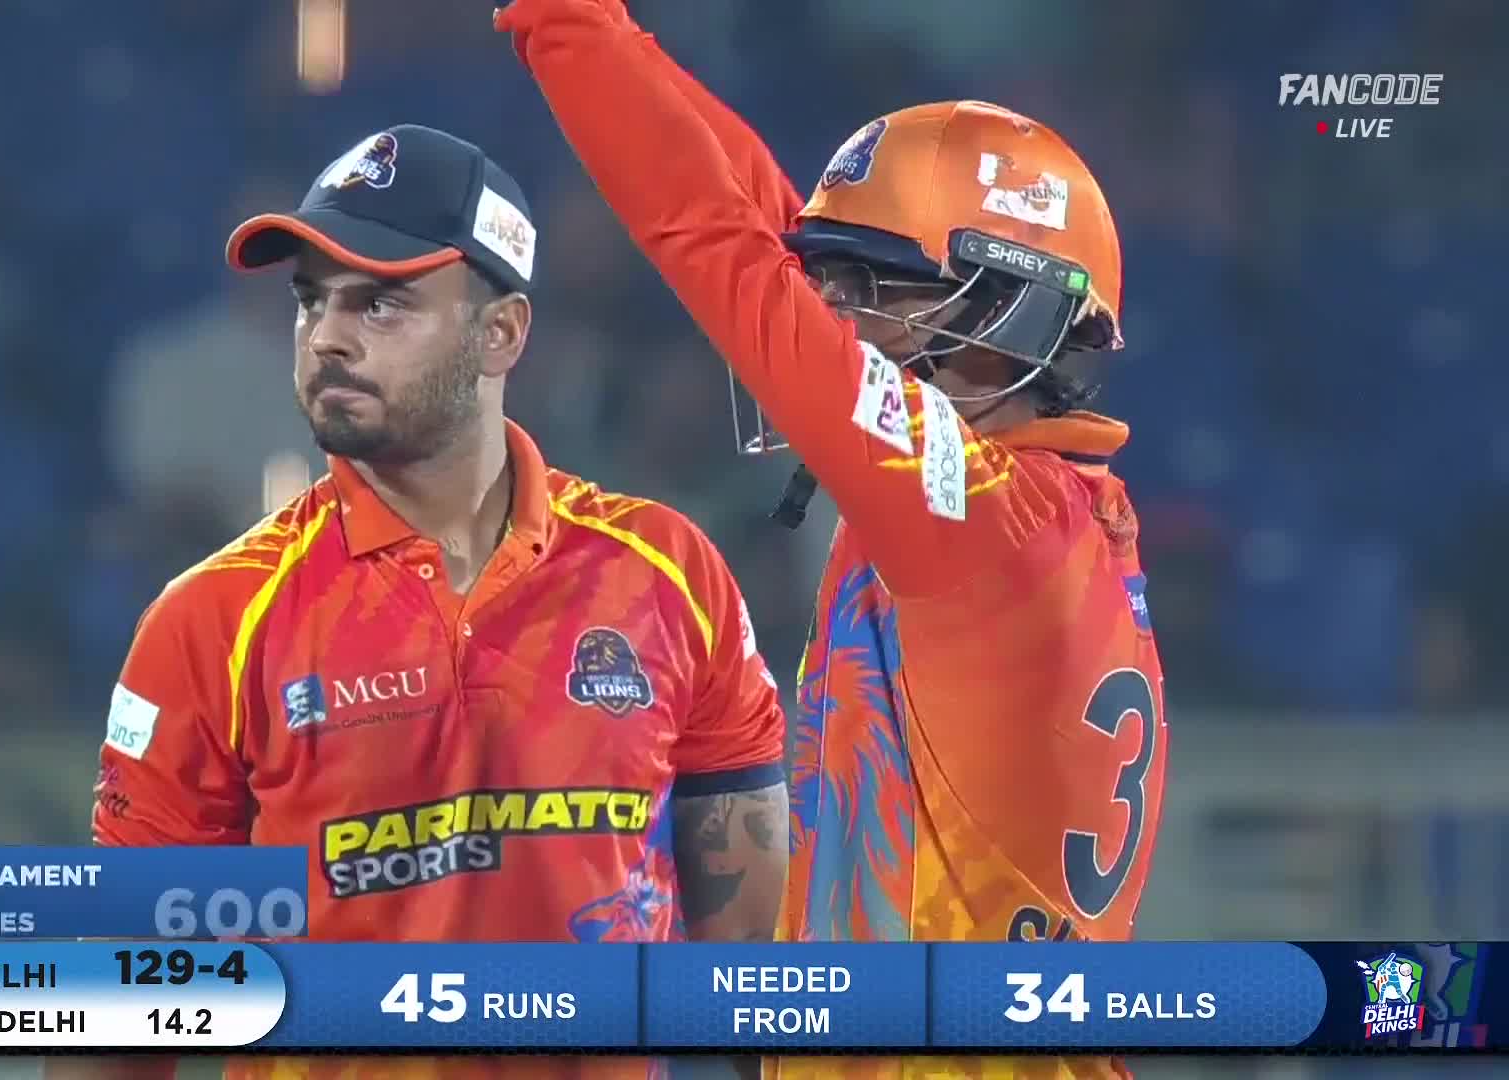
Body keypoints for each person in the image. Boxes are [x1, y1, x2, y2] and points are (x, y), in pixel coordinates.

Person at [496, 3, 1169, 1078]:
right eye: (835, 285)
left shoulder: (982, 518)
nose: (837, 316)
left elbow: (720, 248)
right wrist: (610, 27)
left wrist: (559, 20)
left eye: (875, 286)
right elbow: (762, 232)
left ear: (1011, 309)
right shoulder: (1024, 508)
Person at [54, 123, 788, 1080]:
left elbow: (752, 986)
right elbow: (119, 1012)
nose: (327, 336)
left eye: (381, 303)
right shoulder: (215, 619)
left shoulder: (669, 574)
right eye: (310, 300)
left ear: (501, 332)